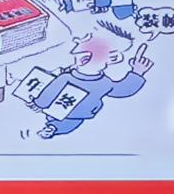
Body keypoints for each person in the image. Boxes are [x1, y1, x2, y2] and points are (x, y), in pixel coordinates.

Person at [23, 19, 154, 138]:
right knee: (68, 122)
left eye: (90, 39)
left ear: (113, 58)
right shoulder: (99, 82)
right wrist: (137, 72)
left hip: (76, 111)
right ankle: (53, 127)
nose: (78, 39)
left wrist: (39, 103)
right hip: (75, 111)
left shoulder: (76, 79)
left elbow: (122, 89)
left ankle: (53, 128)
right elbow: (122, 89)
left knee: (68, 122)